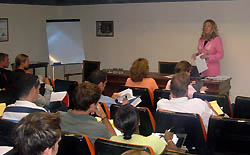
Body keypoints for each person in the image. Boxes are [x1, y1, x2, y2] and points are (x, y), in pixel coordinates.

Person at [111, 104, 177, 154]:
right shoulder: (152, 142)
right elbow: (176, 153)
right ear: (139, 122)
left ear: (117, 126)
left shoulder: (112, 141)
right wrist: (168, 139)